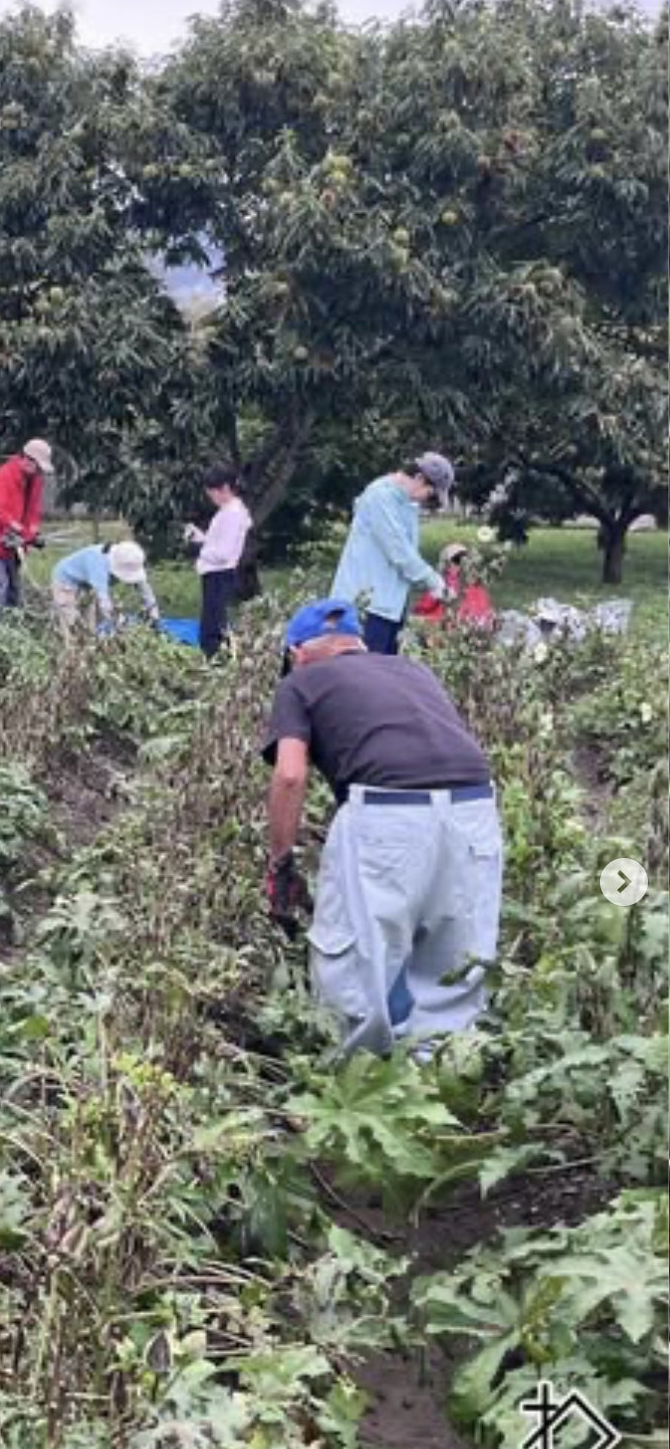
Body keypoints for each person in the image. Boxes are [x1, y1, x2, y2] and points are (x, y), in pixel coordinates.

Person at [262, 598, 501, 1057]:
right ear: (359, 644)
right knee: (452, 967)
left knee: (355, 966)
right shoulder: (413, 671)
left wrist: (281, 863)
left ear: (296, 653)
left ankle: (354, 1081)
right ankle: (441, 1078)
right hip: (475, 807)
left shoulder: (299, 682)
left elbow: (290, 775)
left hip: (387, 811)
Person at [332, 453, 455, 654]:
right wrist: (433, 582)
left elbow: (408, 553)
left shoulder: (407, 503)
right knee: (364, 670)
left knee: (385, 670)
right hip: (364, 607)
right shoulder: (380, 496)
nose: (428, 501)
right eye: (431, 494)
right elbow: (399, 552)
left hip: (390, 609)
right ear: (419, 478)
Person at [184, 463, 254, 659]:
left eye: (212, 493)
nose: (211, 497)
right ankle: (220, 656)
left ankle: (216, 659)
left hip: (219, 573)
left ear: (224, 488)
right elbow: (218, 542)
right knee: (214, 619)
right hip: (215, 571)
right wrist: (201, 539)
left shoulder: (232, 514)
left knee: (213, 626)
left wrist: (200, 550)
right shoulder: (228, 510)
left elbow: (223, 553)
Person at [0, 439, 55, 618]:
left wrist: (33, 532)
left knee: (14, 589)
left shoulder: (35, 479)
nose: (39, 472)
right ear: (27, 459)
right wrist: (18, 529)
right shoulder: (4, 476)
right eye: (38, 467)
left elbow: (33, 510)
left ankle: (11, 625)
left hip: (16, 544)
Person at [49, 541, 159, 638]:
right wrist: (120, 621)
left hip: (86, 584)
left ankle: (91, 642)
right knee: (72, 623)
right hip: (66, 580)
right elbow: (104, 601)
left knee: (91, 624)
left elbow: (144, 588)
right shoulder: (98, 563)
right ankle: (71, 646)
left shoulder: (131, 560)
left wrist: (153, 614)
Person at [413, 542, 494, 629]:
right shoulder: (475, 584)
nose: (462, 563)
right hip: (469, 624)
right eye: (458, 560)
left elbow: (423, 607)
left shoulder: (445, 582)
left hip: (457, 624)